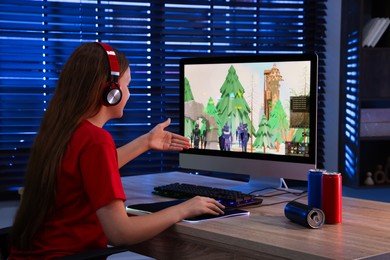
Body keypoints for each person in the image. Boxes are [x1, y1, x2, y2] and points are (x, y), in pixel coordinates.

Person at [9, 42, 225, 259]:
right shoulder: (96, 140)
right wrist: (184, 209)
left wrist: (146, 142)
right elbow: (120, 233)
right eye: (127, 85)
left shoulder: (64, 129)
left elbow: (92, 171)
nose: (129, 94)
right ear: (110, 91)